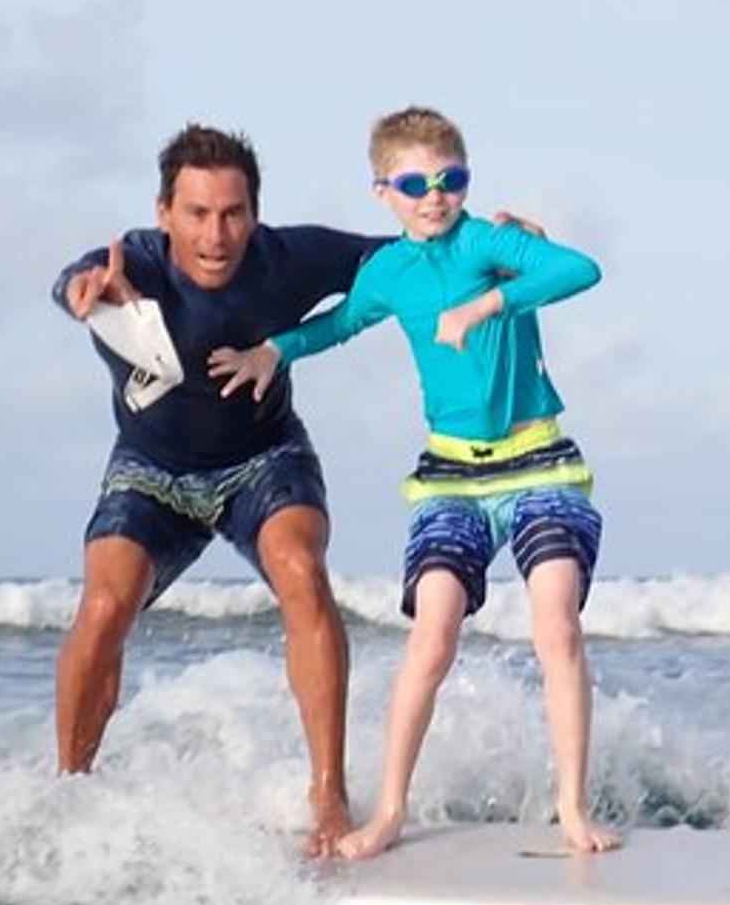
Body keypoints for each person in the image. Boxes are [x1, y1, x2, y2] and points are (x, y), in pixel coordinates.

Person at [208, 107, 619, 860]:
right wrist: (274, 349)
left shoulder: (489, 243)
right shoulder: (389, 271)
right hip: (450, 475)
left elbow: (580, 269)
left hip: (540, 462)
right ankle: (390, 810)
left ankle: (571, 807)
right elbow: (340, 323)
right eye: (414, 183)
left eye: (449, 179)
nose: (434, 196)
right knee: (431, 637)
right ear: (382, 193)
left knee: (554, 625)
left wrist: (491, 297)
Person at [51, 124, 381, 856]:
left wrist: (499, 244)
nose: (216, 234)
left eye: (233, 213)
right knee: (104, 607)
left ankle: (328, 795)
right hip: (149, 470)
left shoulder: (289, 258)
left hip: (264, 459)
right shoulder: (132, 262)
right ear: (165, 212)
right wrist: (85, 290)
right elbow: (74, 280)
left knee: (301, 570)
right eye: (197, 213)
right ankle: (70, 789)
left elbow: (415, 260)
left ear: (254, 214)